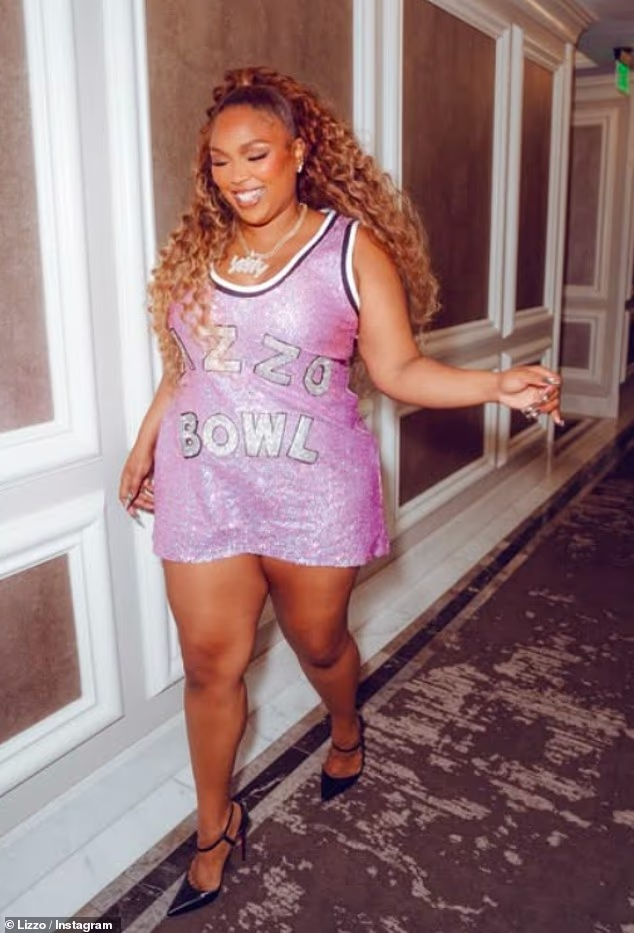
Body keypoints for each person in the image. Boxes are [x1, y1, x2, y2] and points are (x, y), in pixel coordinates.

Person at [119, 66, 562, 918]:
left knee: (319, 644)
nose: (238, 176)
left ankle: (347, 726)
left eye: (255, 155)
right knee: (210, 664)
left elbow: (398, 369)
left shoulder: (349, 249)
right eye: (220, 162)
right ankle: (214, 828)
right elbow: (189, 366)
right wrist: (146, 444)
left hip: (313, 488)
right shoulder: (200, 251)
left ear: (298, 150)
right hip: (204, 480)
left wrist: (496, 383)